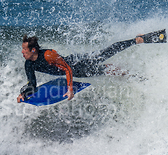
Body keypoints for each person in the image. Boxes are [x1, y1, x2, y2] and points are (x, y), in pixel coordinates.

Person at [17, 32, 160, 103]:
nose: (22, 52)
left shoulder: (48, 55)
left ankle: (138, 39)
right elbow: (32, 83)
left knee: (106, 52)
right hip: (79, 71)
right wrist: (24, 94)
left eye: (24, 49)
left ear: (33, 50)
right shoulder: (28, 64)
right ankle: (137, 77)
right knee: (106, 71)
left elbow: (67, 69)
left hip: (78, 62)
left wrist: (70, 89)